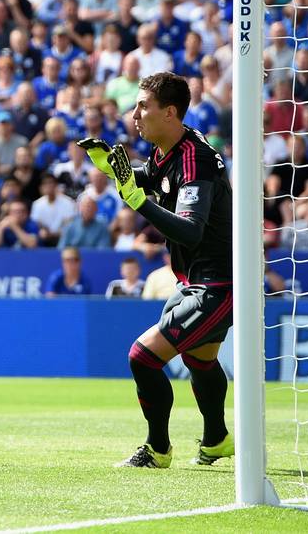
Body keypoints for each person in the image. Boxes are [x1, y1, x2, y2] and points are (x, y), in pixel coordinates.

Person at [79, 71, 234, 469]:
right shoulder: (168, 149)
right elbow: (148, 178)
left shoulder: (195, 159)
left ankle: (158, 449)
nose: (134, 115)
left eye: (142, 106)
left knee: (142, 356)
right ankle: (217, 440)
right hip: (195, 281)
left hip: (219, 284)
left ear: (170, 112)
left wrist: (138, 202)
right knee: (200, 361)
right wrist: (115, 171)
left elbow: (191, 230)